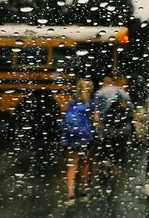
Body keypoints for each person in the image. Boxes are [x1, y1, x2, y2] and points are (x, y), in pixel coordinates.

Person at [60, 78, 98, 206]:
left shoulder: (71, 102)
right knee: (84, 164)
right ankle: (83, 191)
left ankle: (70, 195)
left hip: (70, 137)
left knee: (71, 165)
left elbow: (65, 114)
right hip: (84, 138)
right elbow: (96, 120)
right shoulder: (90, 104)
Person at [98, 77, 134, 187]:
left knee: (107, 148)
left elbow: (95, 110)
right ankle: (117, 173)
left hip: (107, 127)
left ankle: (107, 165)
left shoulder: (99, 93)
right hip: (122, 129)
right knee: (119, 151)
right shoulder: (120, 92)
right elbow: (131, 108)